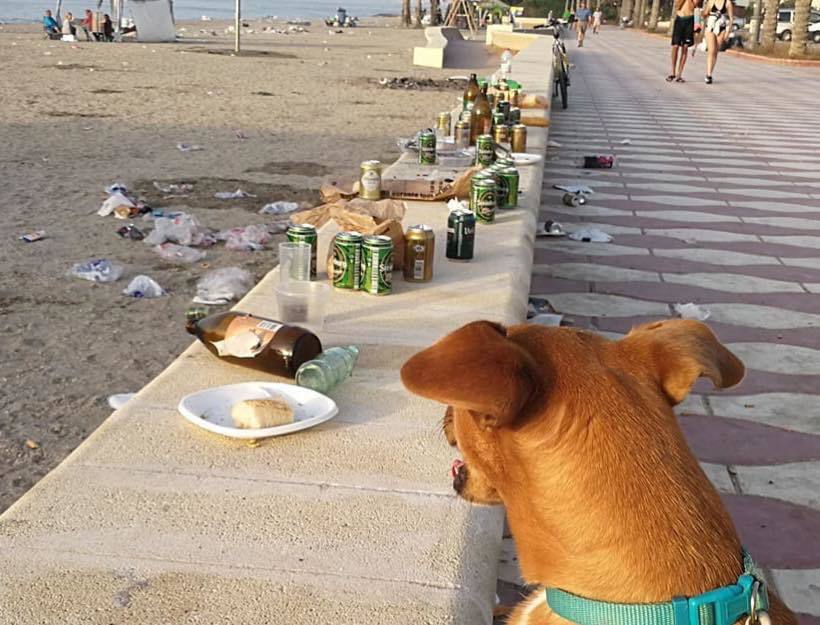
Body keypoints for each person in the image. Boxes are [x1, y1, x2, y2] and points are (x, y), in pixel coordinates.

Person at [701, 0, 734, 83]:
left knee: (715, 51)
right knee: (711, 51)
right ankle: (708, 75)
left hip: (721, 28)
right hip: (711, 27)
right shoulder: (711, 1)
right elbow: (705, 14)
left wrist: (728, 32)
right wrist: (702, 13)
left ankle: (710, 73)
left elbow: (731, 18)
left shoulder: (727, 2)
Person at [668, 0, 695, 82]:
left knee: (685, 47)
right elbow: (677, 5)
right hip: (679, 19)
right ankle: (673, 72)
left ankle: (679, 74)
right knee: (675, 46)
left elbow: (693, 6)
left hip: (690, 19)